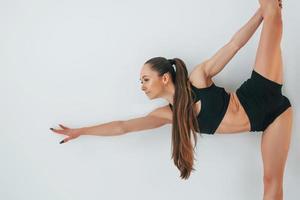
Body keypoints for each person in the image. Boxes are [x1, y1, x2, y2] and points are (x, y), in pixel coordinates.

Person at [51, 0, 292, 198]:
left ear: (165, 78)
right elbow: (122, 127)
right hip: (272, 119)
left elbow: (235, 44)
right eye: (141, 82)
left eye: (145, 79)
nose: (142, 86)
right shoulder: (167, 115)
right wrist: (81, 131)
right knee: (271, 182)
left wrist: (261, 13)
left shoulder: (198, 78)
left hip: (261, 91)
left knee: (273, 14)